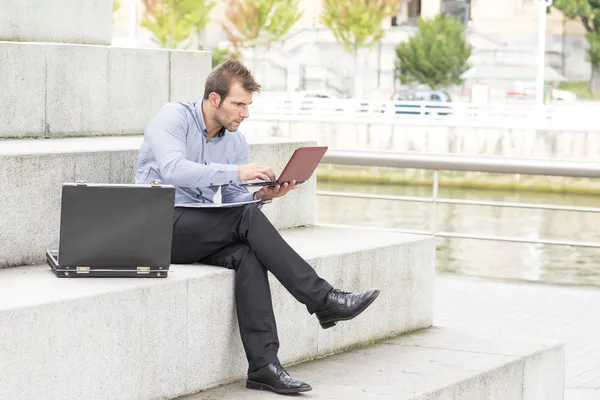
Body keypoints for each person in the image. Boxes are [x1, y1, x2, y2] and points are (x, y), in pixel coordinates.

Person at [135, 59, 380, 395]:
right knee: (244, 221)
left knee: (247, 255)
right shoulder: (173, 118)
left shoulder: (234, 140)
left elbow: (235, 199)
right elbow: (175, 170)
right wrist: (238, 173)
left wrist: (262, 194)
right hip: (156, 227)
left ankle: (264, 366)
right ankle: (322, 298)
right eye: (238, 104)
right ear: (214, 99)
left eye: (248, 106)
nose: (244, 114)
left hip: (198, 230)